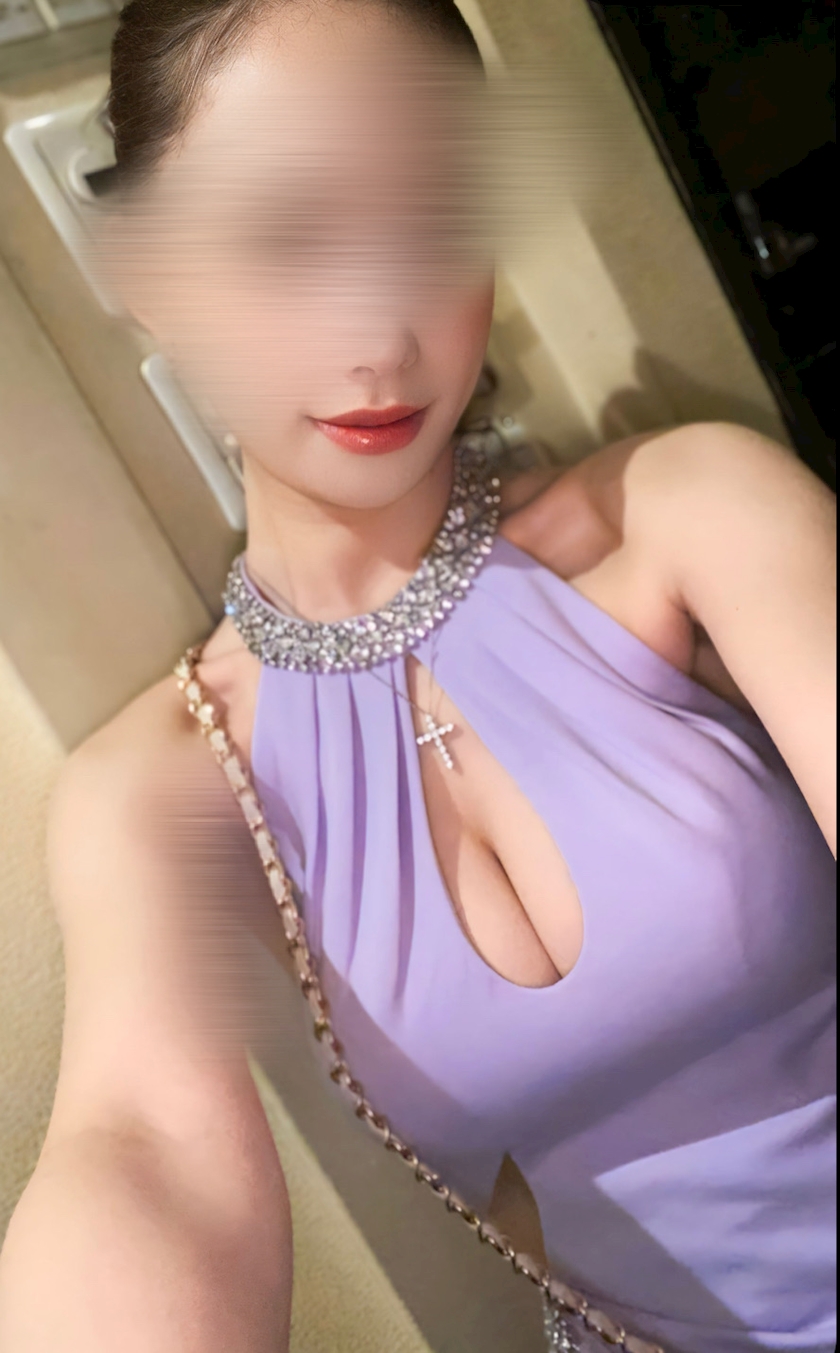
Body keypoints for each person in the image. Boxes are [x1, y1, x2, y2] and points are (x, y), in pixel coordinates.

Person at [0, 1, 835, 1350]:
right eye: (288, 236)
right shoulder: (158, 789)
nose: (380, 336)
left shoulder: (690, 513)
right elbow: (143, 1152)